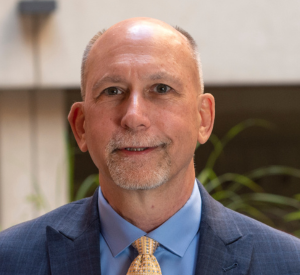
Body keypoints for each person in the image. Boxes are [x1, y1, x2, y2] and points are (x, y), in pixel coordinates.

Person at [0, 17, 300, 275]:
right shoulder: (10, 260)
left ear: (203, 119)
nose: (133, 117)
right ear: (80, 126)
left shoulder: (288, 264)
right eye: (112, 90)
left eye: (161, 89)